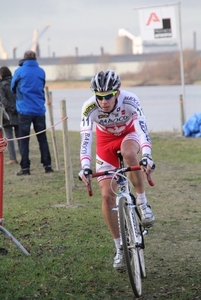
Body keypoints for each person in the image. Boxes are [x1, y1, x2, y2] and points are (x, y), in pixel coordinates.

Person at [79, 70, 155, 272]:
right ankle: (120, 248)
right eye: (100, 97)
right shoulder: (89, 108)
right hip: (105, 143)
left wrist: (146, 155)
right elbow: (86, 140)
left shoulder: (130, 100)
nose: (104, 101)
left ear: (117, 93)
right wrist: (85, 167)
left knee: (129, 153)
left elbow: (142, 129)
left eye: (108, 96)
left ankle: (142, 202)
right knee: (106, 196)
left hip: (129, 135)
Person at [11, 50, 54, 175]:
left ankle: (25, 168)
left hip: (24, 109)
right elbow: (42, 85)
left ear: (24, 59)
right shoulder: (41, 71)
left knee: (24, 139)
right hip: (39, 109)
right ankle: (47, 165)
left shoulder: (19, 71)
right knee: (42, 138)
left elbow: (12, 87)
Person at [0, 66, 19, 165]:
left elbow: (3, 100)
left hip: (7, 114)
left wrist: (9, 108)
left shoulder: (1, 85)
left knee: (9, 136)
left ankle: (12, 158)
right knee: (20, 136)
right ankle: (24, 157)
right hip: (18, 111)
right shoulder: (15, 82)